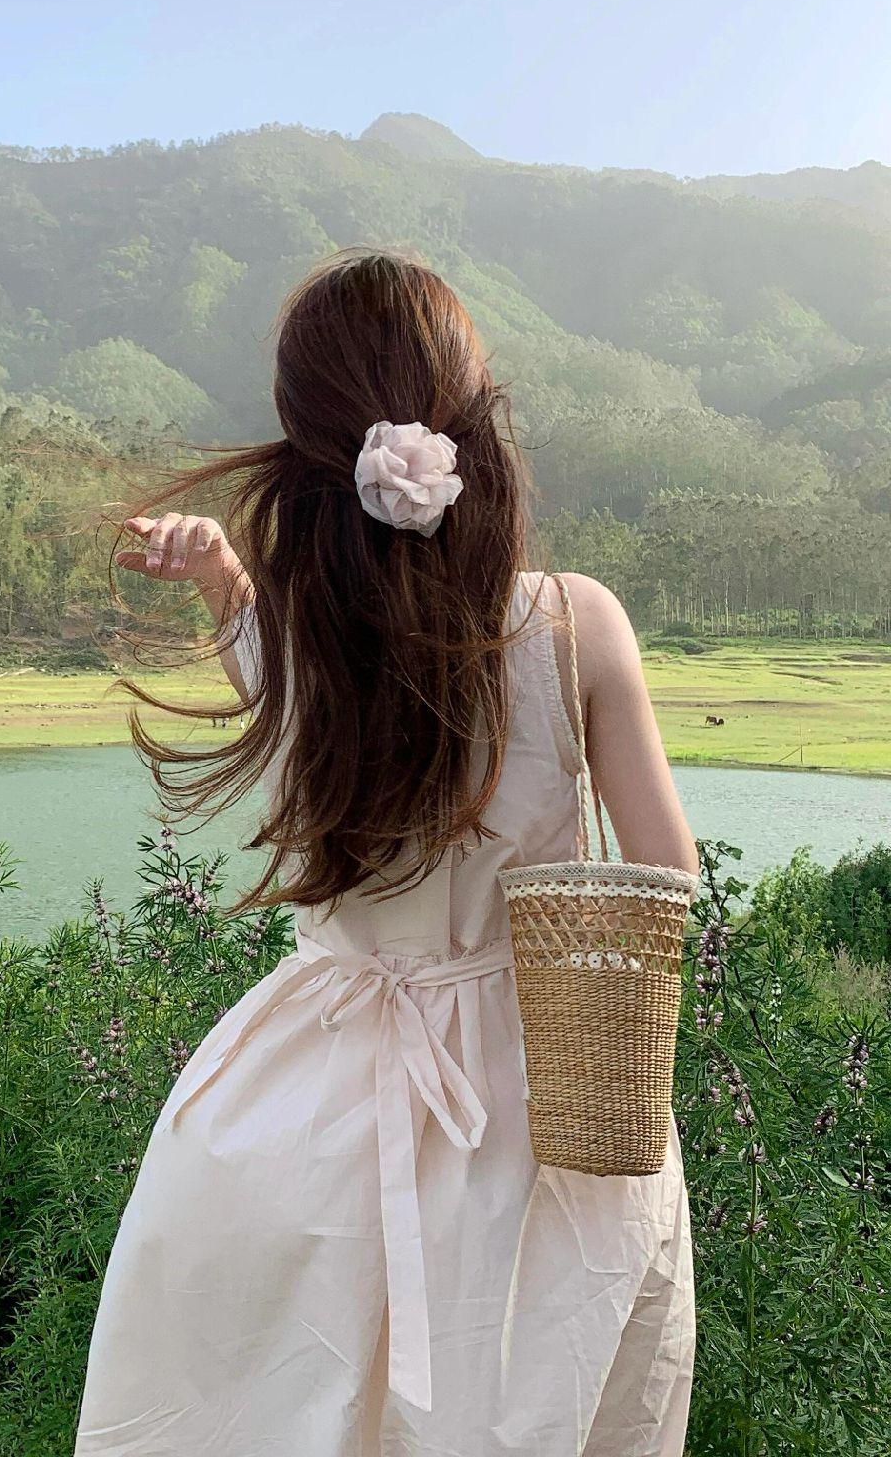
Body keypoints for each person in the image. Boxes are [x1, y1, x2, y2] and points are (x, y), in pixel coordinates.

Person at [74, 251, 698, 1457]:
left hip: (304, 1102)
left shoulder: (298, 647)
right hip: (542, 1101)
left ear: (307, 446)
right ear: (469, 423)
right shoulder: (576, 622)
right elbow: (665, 878)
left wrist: (219, 575)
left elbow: (277, 650)